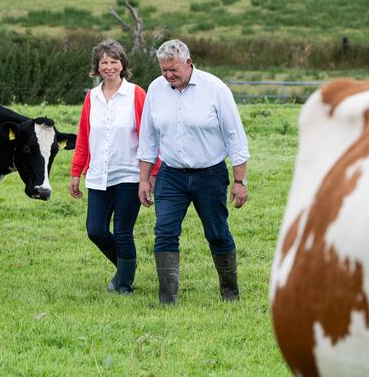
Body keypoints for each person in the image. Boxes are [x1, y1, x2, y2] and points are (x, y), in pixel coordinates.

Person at [137, 39, 249, 305]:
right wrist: (144, 179)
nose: (168, 75)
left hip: (209, 174)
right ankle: (167, 298)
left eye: (173, 69)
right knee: (164, 231)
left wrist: (240, 180)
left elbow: (235, 137)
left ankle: (230, 292)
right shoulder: (156, 89)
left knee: (217, 231)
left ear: (189, 63)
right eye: (164, 70)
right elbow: (148, 137)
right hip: (171, 174)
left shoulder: (215, 89)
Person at [69, 39, 156, 294]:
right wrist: (76, 172)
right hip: (98, 175)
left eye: (113, 61)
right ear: (96, 67)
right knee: (95, 230)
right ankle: (126, 267)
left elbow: (149, 137)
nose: (109, 67)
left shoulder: (136, 94)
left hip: (130, 174)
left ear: (122, 64)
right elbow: (84, 137)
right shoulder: (91, 97)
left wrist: (150, 175)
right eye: (103, 62)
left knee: (122, 232)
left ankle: (124, 284)